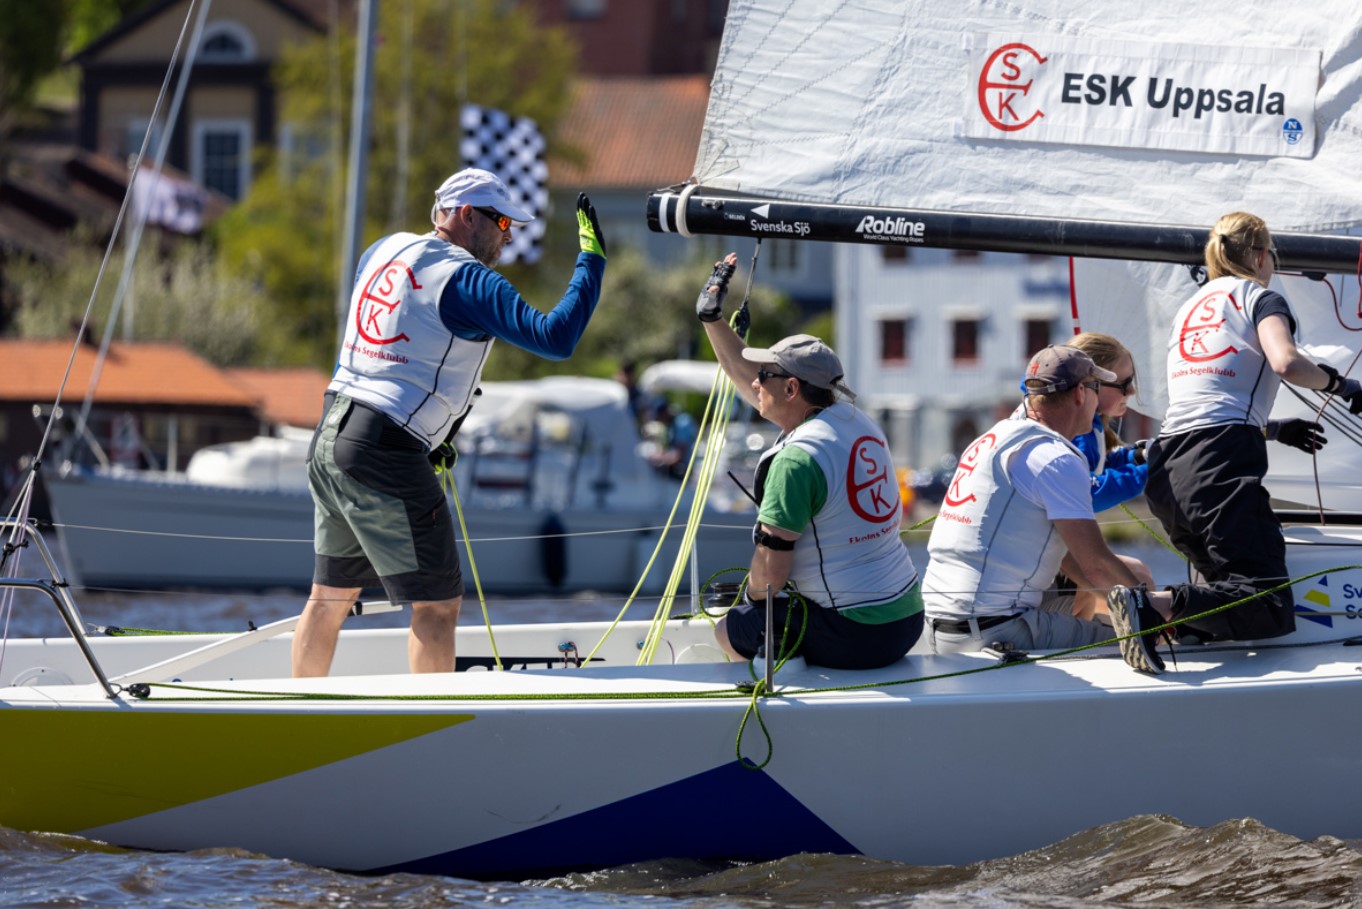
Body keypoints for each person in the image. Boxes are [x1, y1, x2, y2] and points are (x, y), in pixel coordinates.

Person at [292, 168, 607, 676]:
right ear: (466, 215)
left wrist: (430, 433)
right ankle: (432, 724)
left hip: (330, 434)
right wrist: (591, 261)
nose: (509, 234)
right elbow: (556, 338)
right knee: (437, 605)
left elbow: (385, 343)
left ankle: (296, 715)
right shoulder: (467, 278)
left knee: (329, 597)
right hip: (381, 449)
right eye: (502, 221)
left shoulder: (383, 250)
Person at [1142, 211, 1362, 646]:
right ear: (1262, 256)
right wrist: (1343, 385)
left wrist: (1275, 430)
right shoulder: (1260, 297)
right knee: (1267, 604)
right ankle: (1152, 607)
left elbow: (1205, 407)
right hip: (1219, 462)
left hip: (1167, 468)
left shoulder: (1190, 308)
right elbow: (1286, 362)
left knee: (1228, 599)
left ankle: (1166, 625)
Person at [696, 253, 924, 669]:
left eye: (765, 375)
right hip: (907, 621)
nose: (755, 383)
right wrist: (712, 319)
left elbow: (770, 575)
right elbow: (750, 382)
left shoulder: (796, 462)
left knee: (731, 628)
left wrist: (750, 601)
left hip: (856, 634)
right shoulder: (858, 422)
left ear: (791, 389)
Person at [924, 344, 1174, 670]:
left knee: (1113, 587)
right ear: (1081, 394)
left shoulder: (992, 438)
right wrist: (1152, 609)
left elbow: (1073, 561)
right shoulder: (1056, 457)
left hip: (937, 626)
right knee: (1132, 645)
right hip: (994, 630)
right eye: (1097, 390)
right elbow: (1096, 564)